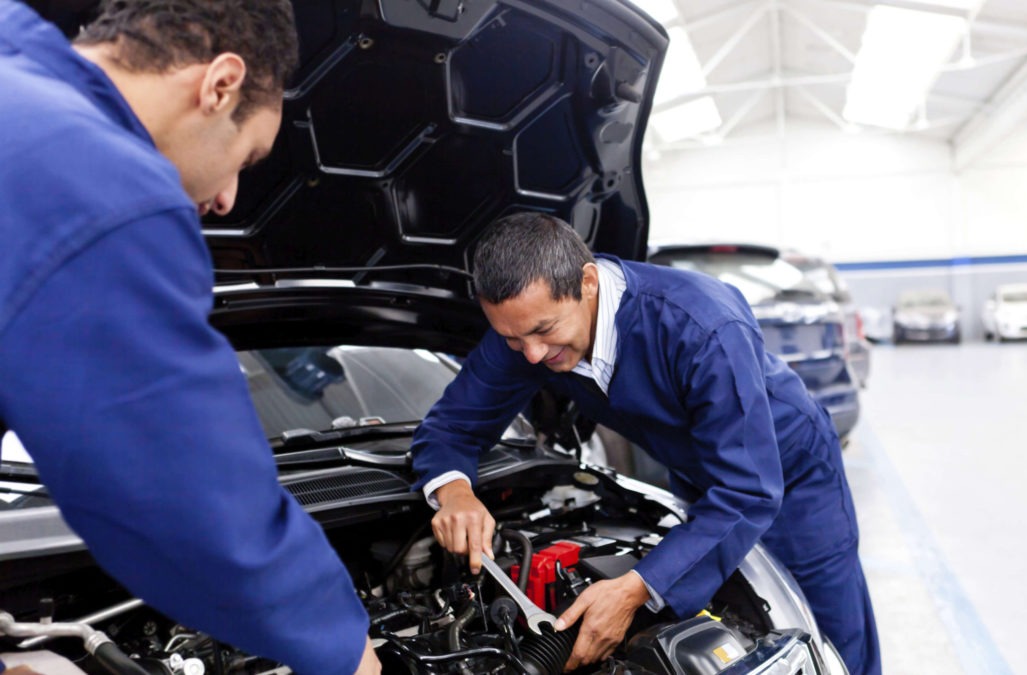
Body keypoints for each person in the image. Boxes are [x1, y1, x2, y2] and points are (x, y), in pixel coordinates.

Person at [0, 2, 380, 673]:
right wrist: (348, 648)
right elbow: (193, 507)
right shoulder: (93, 182)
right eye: (248, 154)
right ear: (220, 84)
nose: (231, 197)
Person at [411, 212, 881, 675]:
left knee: (828, 632)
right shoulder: (524, 326)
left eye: (543, 332)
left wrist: (638, 587)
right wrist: (455, 493)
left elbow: (748, 489)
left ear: (588, 283)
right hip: (695, 467)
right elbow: (450, 426)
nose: (532, 355)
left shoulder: (701, 326)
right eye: (512, 339)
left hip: (789, 468)